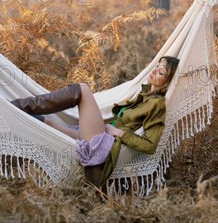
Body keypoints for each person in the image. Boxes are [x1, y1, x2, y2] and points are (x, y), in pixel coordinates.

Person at [10, 56, 180, 187]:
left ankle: (18, 105)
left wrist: (120, 133)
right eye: (157, 65)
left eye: (161, 72)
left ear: (167, 83)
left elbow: (150, 145)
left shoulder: (156, 104)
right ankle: (7, 109)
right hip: (102, 139)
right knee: (47, 123)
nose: (155, 70)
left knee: (82, 90)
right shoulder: (143, 95)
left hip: (106, 149)